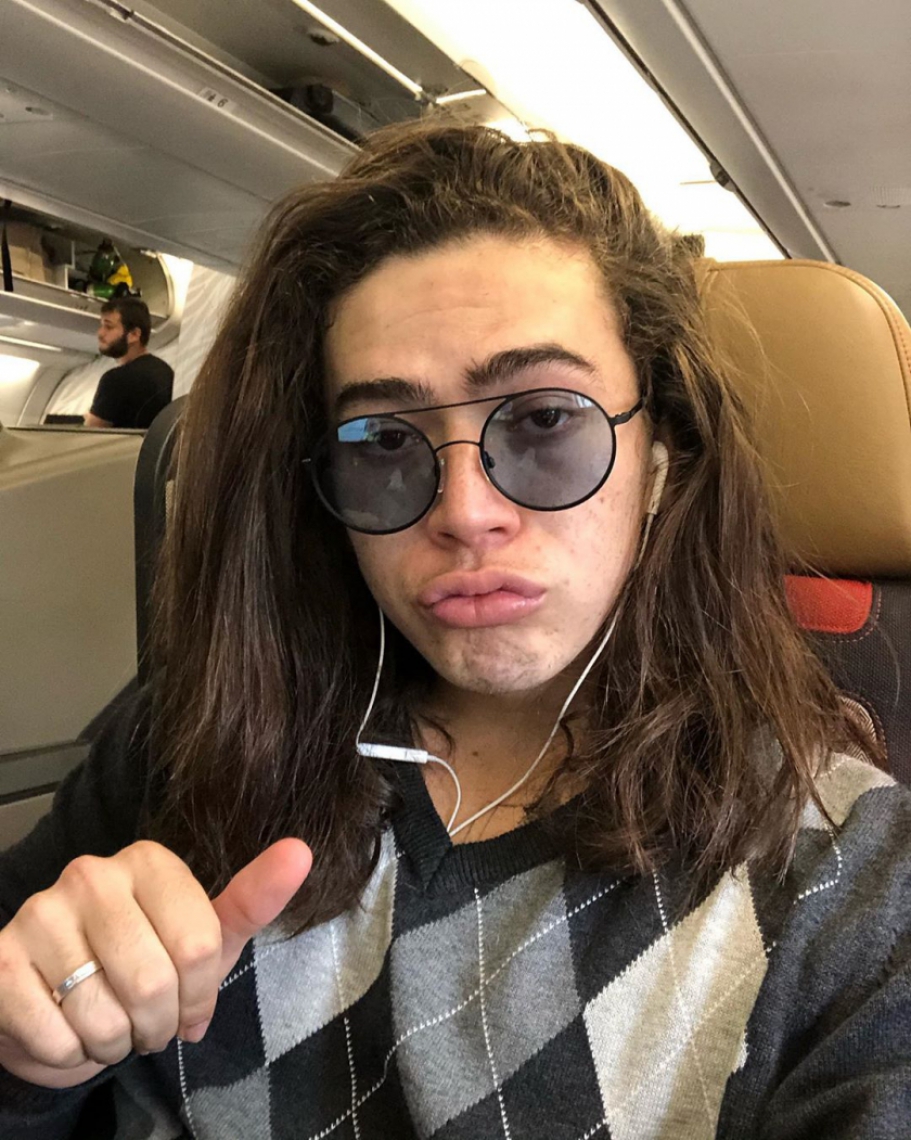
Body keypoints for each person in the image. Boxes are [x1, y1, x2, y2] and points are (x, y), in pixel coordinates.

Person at [1, 120, 909, 1139]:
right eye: (383, 439)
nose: (466, 512)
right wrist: (29, 1066)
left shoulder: (851, 887)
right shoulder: (196, 737)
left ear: (662, 448)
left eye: (544, 419)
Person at [84, 297, 173, 429]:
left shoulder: (114, 380)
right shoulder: (166, 372)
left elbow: (90, 434)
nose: (100, 333)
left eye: (108, 327)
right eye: (101, 326)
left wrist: (89, 418)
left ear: (134, 334)